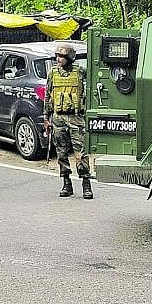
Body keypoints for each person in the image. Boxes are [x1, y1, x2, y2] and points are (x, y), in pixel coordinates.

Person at [44, 43, 92, 199]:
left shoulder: (80, 71)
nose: (58, 59)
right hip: (58, 118)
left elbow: (91, 88)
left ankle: (86, 184)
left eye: (62, 56)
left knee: (81, 153)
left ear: (70, 57)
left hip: (76, 118)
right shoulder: (52, 73)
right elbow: (48, 95)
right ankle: (66, 183)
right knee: (61, 153)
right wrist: (46, 117)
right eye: (57, 56)